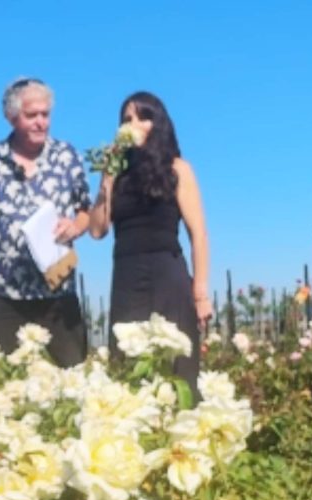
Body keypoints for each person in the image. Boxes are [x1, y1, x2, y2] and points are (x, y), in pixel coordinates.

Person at [0, 78, 91, 367]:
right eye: (32, 115)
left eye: (46, 114)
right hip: (4, 293)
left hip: (57, 292)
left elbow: (86, 211)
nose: (41, 122)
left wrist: (75, 227)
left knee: (74, 380)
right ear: (12, 117)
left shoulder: (67, 157)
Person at [88, 91, 211, 393]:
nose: (135, 124)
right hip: (127, 277)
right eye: (127, 119)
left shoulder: (178, 169)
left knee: (176, 368)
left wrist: (200, 294)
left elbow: (199, 234)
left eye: (143, 117)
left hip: (167, 274)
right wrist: (107, 178)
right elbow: (96, 230)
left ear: (158, 124)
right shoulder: (117, 173)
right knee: (129, 370)